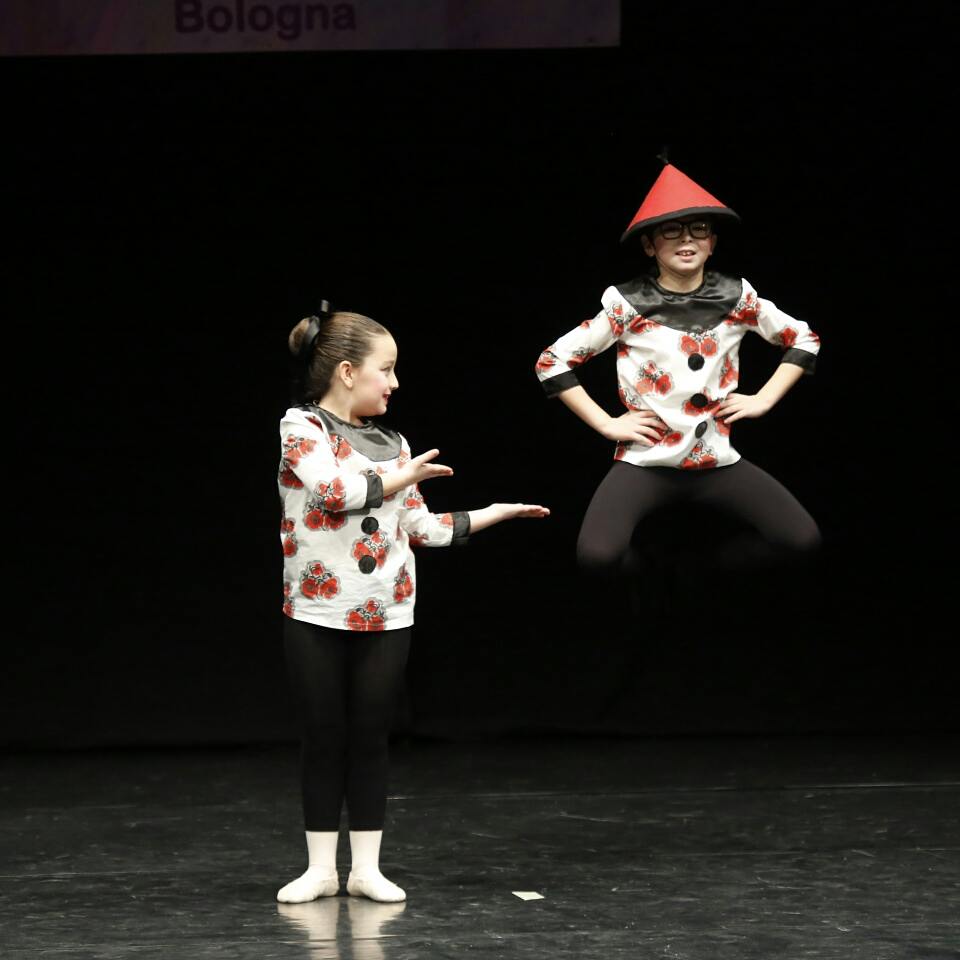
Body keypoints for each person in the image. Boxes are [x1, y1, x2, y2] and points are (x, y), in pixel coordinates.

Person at [277, 306, 548, 904]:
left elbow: (420, 528)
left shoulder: (395, 443)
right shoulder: (301, 427)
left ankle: (366, 868)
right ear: (347, 372)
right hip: (318, 611)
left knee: (371, 735)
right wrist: (402, 477)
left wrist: (490, 515)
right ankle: (321, 867)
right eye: (387, 370)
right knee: (324, 734)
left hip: (388, 610)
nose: (395, 383)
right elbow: (333, 491)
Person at [534, 161, 822, 599]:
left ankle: (700, 577)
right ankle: (652, 583)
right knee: (597, 557)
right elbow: (552, 361)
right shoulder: (626, 303)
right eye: (671, 231)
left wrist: (764, 398)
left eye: (699, 229)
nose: (686, 240)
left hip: (716, 460)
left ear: (713, 243)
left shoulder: (737, 297)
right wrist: (607, 424)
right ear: (649, 246)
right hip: (647, 462)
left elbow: (803, 338)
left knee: (802, 540)